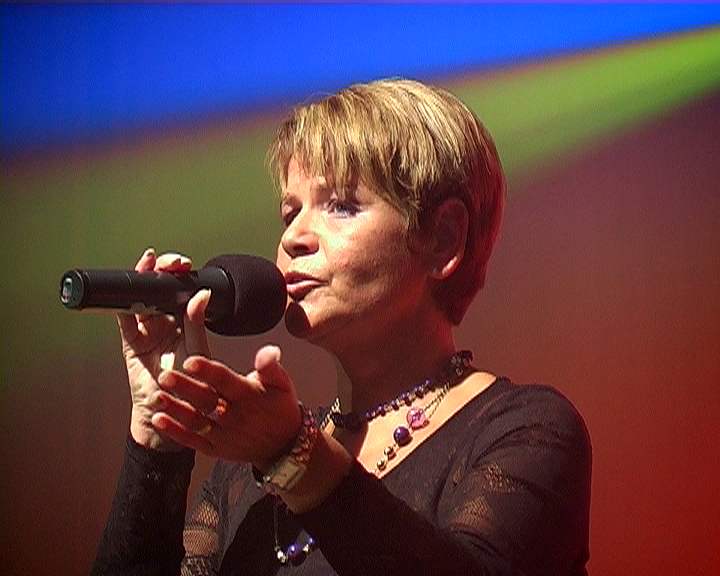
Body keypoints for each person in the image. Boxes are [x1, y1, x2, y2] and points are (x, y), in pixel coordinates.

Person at [92, 79, 591, 576]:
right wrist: (159, 431)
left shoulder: (527, 429)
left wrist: (294, 456)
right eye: (290, 212)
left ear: (443, 239)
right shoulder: (243, 472)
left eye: (341, 206)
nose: (294, 237)